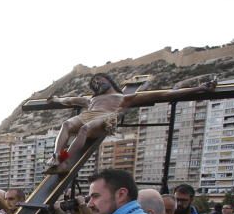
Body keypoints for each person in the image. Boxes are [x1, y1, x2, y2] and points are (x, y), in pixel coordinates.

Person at [45, 74, 215, 173]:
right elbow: (67, 100)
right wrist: (56, 99)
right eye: (95, 83)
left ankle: (66, 161)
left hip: (106, 117)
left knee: (84, 129)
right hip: (89, 114)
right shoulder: (90, 99)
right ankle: (58, 156)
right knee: (66, 124)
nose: (98, 84)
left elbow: (165, 94)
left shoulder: (123, 98)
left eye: (100, 80)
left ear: (109, 81)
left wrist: (199, 89)